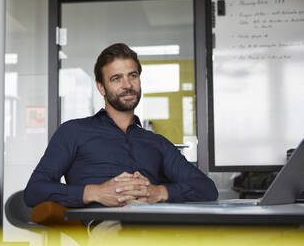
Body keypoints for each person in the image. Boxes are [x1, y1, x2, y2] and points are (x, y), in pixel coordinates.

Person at [24, 43, 218, 209]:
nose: (127, 85)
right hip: (107, 228)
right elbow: (34, 191)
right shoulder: (73, 132)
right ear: (101, 87)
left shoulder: (156, 142)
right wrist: (95, 193)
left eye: (132, 76)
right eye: (116, 78)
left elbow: (207, 188)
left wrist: (158, 192)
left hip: (158, 224)